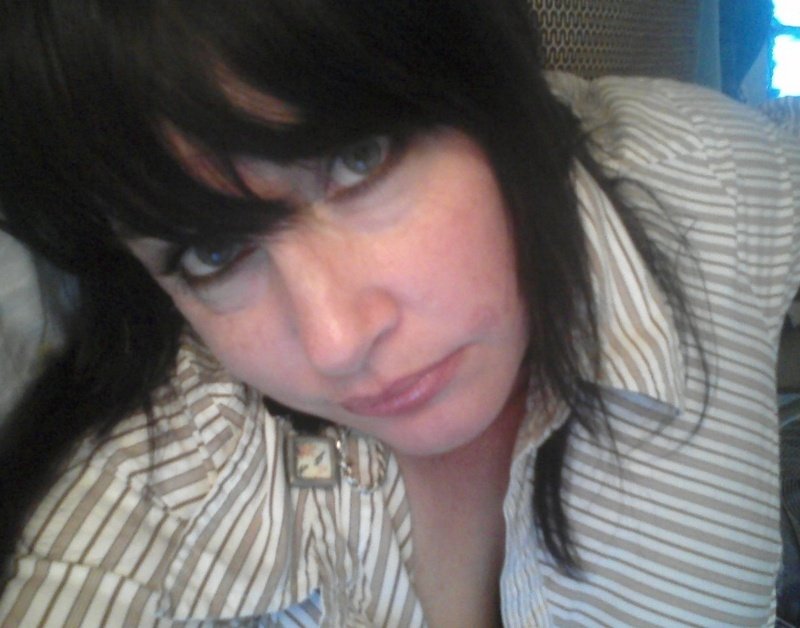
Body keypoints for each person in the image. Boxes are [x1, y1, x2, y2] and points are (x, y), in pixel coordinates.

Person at [0, 1, 797, 625]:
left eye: (360, 158)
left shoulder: (710, 183)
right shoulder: (149, 511)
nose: (335, 342)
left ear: (491, 76)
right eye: (212, 253)